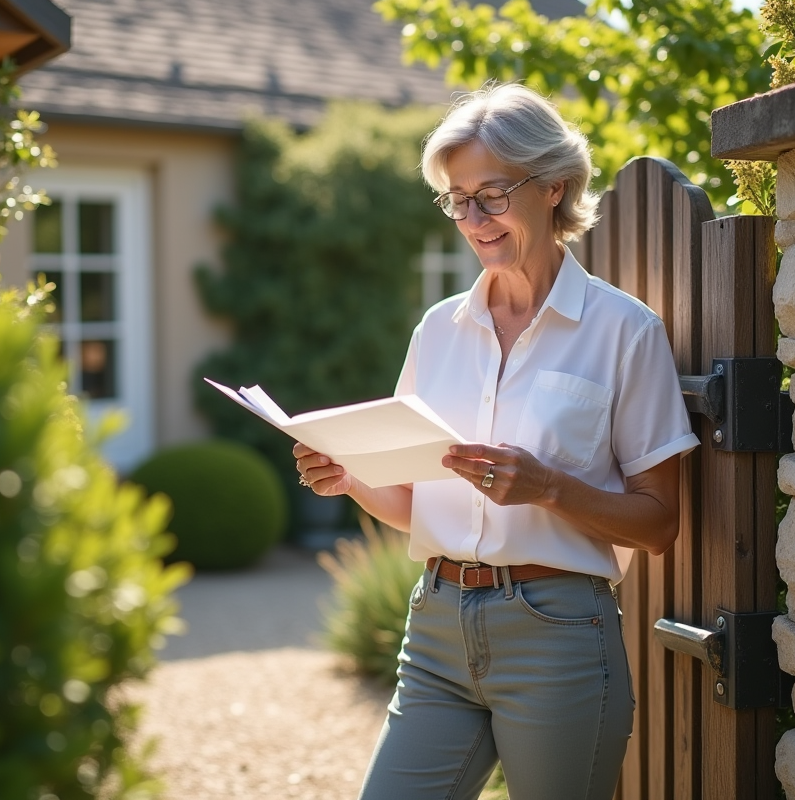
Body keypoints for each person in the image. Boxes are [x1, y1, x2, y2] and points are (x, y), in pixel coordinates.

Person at [294, 82, 699, 800]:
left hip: (558, 636)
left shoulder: (624, 332)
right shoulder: (438, 330)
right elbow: (420, 502)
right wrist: (349, 477)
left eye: (492, 195)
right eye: (457, 199)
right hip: (437, 628)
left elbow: (659, 524)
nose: (473, 219)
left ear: (554, 187)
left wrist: (549, 488)